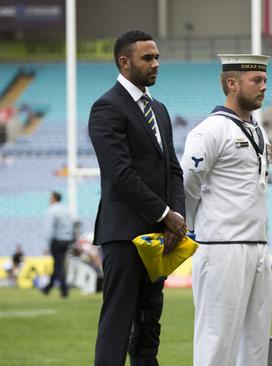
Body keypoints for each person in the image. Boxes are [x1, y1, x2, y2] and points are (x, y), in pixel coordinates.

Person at [88, 30, 186, 366]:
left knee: (148, 324)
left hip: (160, 237)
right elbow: (121, 174)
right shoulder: (106, 108)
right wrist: (164, 214)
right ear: (124, 61)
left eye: (157, 57)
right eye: (148, 58)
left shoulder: (158, 109)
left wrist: (176, 220)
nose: (156, 64)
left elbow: (173, 169)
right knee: (118, 324)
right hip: (125, 235)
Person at [181, 54, 272, 366]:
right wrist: (192, 226)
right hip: (221, 247)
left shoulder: (258, 129)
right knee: (216, 341)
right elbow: (189, 180)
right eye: (256, 81)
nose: (263, 87)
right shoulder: (210, 130)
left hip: (258, 246)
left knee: (256, 344)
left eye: (264, 81)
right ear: (232, 84)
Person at [41, 191, 74, 297]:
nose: (49, 199)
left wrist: (46, 244)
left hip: (57, 240)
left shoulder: (52, 210)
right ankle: (48, 288)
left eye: (50, 197)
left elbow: (49, 229)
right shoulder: (66, 209)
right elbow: (71, 225)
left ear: (54, 198)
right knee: (58, 264)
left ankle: (64, 290)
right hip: (67, 240)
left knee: (59, 265)